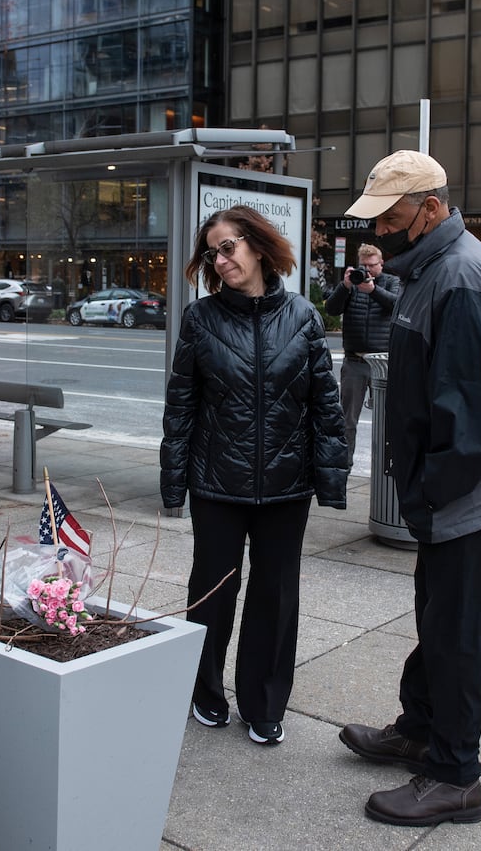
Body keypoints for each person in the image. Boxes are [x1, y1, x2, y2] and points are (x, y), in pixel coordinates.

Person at [337, 150, 481, 824]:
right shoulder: (434, 269)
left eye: (392, 218)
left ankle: (456, 774)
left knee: (457, 630)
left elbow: (477, 414)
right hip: (456, 485)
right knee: (439, 614)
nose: (381, 233)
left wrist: (428, 493)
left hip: (472, 488)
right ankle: (422, 726)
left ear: (430, 209)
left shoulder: (459, 276)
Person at [161, 205, 348, 747]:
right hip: (217, 482)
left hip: (287, 486)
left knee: (276, 594)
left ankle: (264, 703)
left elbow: (325, 406)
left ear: (259, 247)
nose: (220, 261)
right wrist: (174, 482)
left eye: (228, 247)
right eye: (211, 253)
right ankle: (205, 691)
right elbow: (181, 408)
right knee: (213, 591)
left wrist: (330, 480)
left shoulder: (304, 317)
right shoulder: (201, 320)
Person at [322, 244, 400, 468]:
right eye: (363, 266)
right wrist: (345, 286)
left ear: (381, 264)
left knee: (388, 419)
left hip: (383, 363)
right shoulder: (352, 285)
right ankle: (344, 467)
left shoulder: (391, 282)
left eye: (371, 266)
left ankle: (388, 467)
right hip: (354, 361)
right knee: (348, 420)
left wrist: (373, 290)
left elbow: (396, 305)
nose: (366, 270)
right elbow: (332, 310)